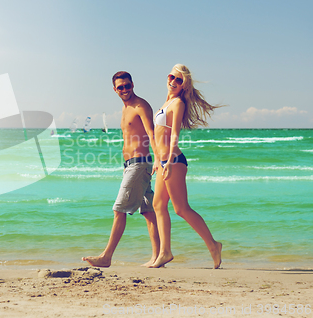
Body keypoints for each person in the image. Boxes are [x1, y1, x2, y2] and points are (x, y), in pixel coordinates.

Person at [82, 71, 160, 268]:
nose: (125, 90)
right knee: (148, 211)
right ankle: (159, 257)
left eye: (127, 85)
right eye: (120, 87)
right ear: (115, 90)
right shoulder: (125, 109)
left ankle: (106, 257)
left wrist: (158, 158)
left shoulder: (140, 106)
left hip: (140, 163)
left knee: (119, 209)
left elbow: (151, 133)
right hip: (130, 165)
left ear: (133, 84)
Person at [150, 64, 222, 269]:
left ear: (184, 85)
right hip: (163, 161)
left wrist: (169, 159)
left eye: (178, 80)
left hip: (174, 161)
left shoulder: (178, 103)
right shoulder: (167, 102)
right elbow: (158, 133)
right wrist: (157, 159)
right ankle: (165, 252)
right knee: (158, 205)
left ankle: (213, 245)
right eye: (171, 77)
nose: (173, 81)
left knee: (181, 208)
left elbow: (174, 134)